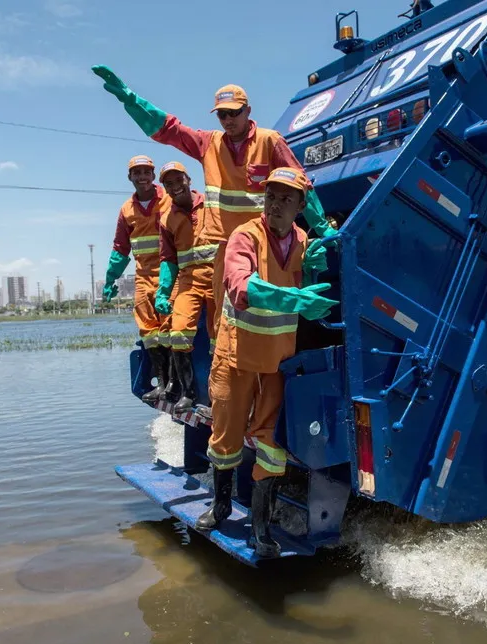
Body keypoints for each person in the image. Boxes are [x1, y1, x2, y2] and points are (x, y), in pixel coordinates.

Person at [90, 65, 338, 329]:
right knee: (225, 322)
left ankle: (272, 367)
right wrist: (130, 100)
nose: (228, 120)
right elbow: (169, 129)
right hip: (226, 249)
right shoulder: (209, 144)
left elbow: (301, 185)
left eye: (234, 113)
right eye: (222, 115)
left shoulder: (269, 141)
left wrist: (322, 228)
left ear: (248, 111)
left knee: (271, 319)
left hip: (266, 245)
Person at [194, 167, 338, 557]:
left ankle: (261, 527)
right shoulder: (245, 236)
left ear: (300, 207)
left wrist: (315, 266)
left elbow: (306, 277)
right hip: (236, 356)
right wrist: (296, 300)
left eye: (285, 199)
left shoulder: (303, 240)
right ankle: (221, 505)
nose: (275, 205)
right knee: (225, 438)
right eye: (270, 196)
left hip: (276, 362)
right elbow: (241, 285)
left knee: (270, 445)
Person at [104, 155, 174, 403]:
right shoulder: (126, 210)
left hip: (171, 272)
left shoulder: (168, 199)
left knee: (173, 329)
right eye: (137, 173)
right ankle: (163, 382)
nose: (142, 177)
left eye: (146, 172)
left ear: (153, 175)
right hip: (144, 276)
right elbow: (120, 248)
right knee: (149, 331)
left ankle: (176, 382)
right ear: (130, 177)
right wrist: (110, 279)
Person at [154, 161, 214, 413]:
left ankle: (220, 394)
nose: (175, 186)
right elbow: (168, 259)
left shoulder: (212, 205)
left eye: (179, 180)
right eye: (169, 183)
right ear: (165, 189)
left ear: (189, 179)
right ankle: (189, 392)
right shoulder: (167, 219)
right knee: (178, 333)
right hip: (188, 283)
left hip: (217, 279)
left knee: (220, 338)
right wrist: (163, 291)